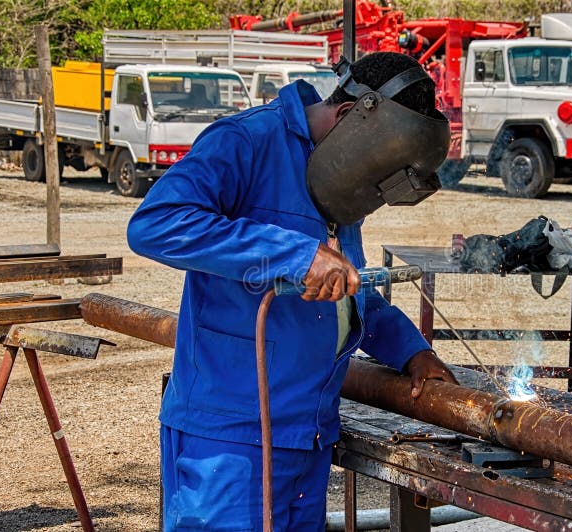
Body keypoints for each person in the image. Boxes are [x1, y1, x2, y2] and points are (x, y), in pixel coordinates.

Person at [126, 52, 459, 531]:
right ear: (350, 115)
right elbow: (156, 224)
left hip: (307, 438)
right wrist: (295, 254)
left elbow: (347, 288)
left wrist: (412, 351)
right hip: (231, 441)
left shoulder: (338, 182)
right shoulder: (246, 141)